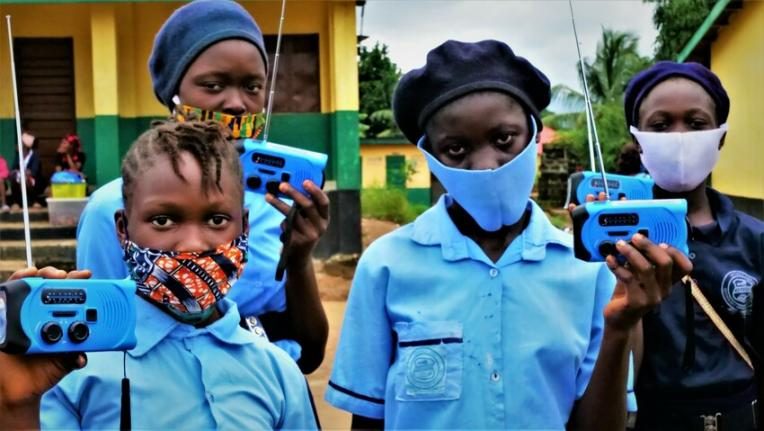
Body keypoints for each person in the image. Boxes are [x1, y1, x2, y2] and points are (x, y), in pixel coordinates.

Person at [325, 40, 691, 429]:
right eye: (455, 148)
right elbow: (367, 420)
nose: (485, 164)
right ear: (430, 157)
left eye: (504, 139)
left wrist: (620, 327)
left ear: (533, 137)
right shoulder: (386, 265)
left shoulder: (588, 270)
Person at [0, 121, 319, 429]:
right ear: (123, 230)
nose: (193, 244)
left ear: (244, 227)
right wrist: (16, 408)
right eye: (164, 220)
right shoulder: (70, 370)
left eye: (217, 219)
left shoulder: (278, 373)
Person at [75, 0, 328, 373]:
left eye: (253, 86)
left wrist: (300, 258)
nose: (237, 104)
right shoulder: (112, 207)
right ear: (172, 94)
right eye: (214, 85)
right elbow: (98, 345)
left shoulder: (274, 205)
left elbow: (308, 354)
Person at [623, 61, 764, 430]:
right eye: (661, 124)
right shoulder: (618, 243)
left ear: (720, 136)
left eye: (697, 123)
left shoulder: (756, 239)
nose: (679, 135)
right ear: (638, 139)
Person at [8, 129, 43, 209]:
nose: (17, 145)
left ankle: (33, 201)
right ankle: (16, 202)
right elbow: (14, 168)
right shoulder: (18, 155)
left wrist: (26, 173)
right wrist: (16, 172)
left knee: (25, 179)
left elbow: (34, 171)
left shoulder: (34, 155)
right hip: (19, 177)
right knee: (15, 178)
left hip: (32, 179)